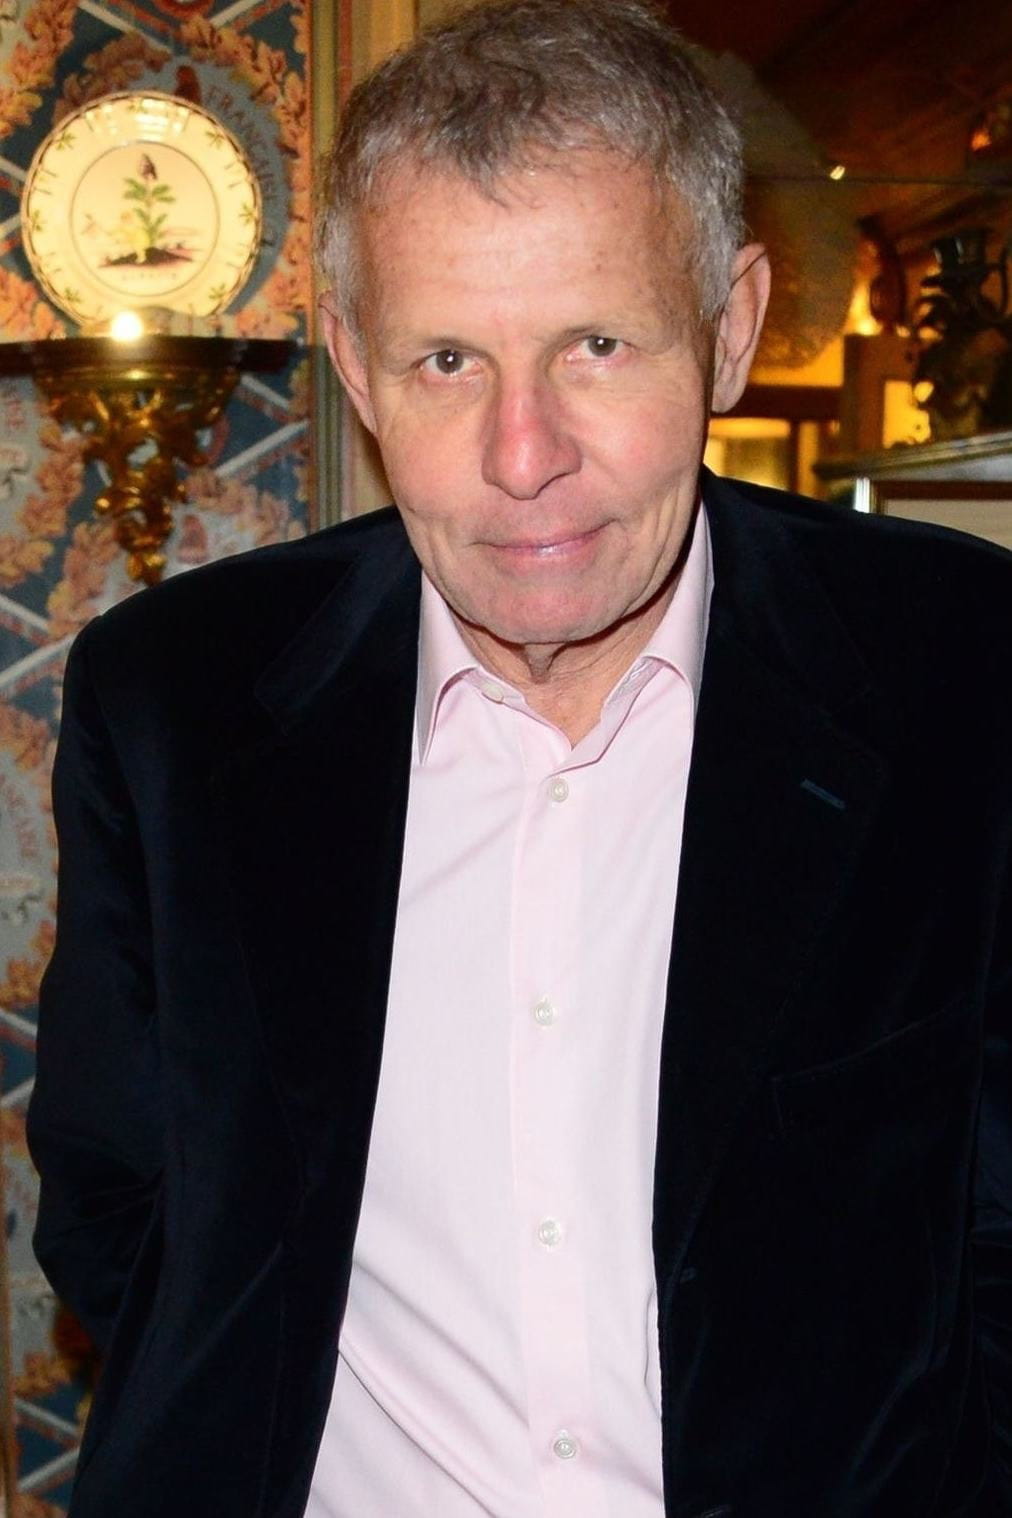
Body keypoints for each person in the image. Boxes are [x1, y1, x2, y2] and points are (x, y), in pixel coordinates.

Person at [27, 0, 1012, 1513]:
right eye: (446, 361)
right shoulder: (175, 699)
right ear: (354, 364)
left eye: (596, 346)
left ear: (731, 327)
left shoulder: (967, 674)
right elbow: (119, 1196)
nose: (523, 455)